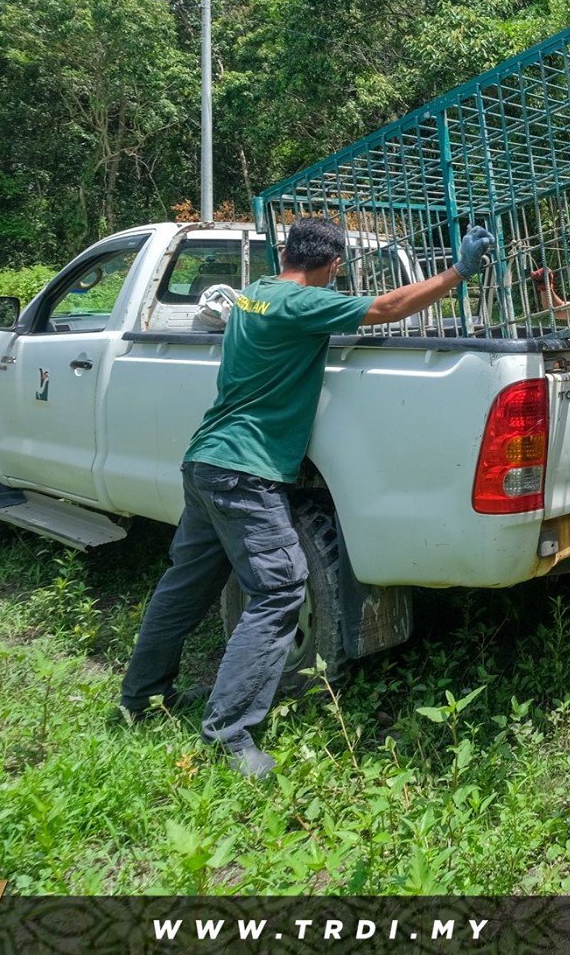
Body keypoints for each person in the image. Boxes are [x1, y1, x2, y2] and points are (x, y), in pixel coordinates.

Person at [120, 215, 495, 776]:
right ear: (333, 265)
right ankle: (229, 733)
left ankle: (141, 696)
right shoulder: (302, 307)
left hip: (206, 462)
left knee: (186, 585)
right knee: (279, 590)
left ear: (287, 253)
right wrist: (459, 271)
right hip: (246, 472)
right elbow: (390, 308)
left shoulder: (256, 296)